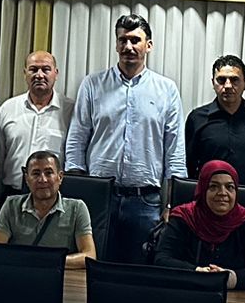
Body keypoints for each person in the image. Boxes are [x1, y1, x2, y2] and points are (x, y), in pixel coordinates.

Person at [66, 15, 185, 263]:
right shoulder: (92, 84)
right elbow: (77, 140)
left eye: (135, 40)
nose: (128, 46)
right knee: (92, 267)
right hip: (98, 198)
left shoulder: (167, 90)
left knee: (138, 273)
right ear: (116, 44)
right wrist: (78, 193)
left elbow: (174, 152)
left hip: (146, 202)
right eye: (123, 40)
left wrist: (171, 206)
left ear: (148, 45)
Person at [153, 160, 245, 289]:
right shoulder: (184, 217)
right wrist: (197, 272)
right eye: (213, 186)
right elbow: (161, 260)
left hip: (239, 297)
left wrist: (229, 278)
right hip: (188, 292)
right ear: (203, 190)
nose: (222, 192)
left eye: (229, 187)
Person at [0, 150, 96, 265]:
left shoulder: (77, 208)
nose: (43, 180)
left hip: (60, 273)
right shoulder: (11, 205)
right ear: (27, 179)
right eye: (36, 174)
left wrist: (48, 262)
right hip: (20, 272)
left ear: (60, 177)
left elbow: (89, 255)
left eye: (48, 173)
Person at [185, 55, 245, 186]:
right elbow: (189, 165)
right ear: (213, 83)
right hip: (211, 195)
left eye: (234, 80)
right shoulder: (197, 119)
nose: (227, 85)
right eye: (221, 80)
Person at [0, 51, 68, 196]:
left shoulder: (70, 111)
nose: (39, 75)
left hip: (53, 196)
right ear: (25, 73)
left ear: (56, 73)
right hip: (12, 194)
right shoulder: (8, 109)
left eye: (46, 69)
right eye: (33, 69)